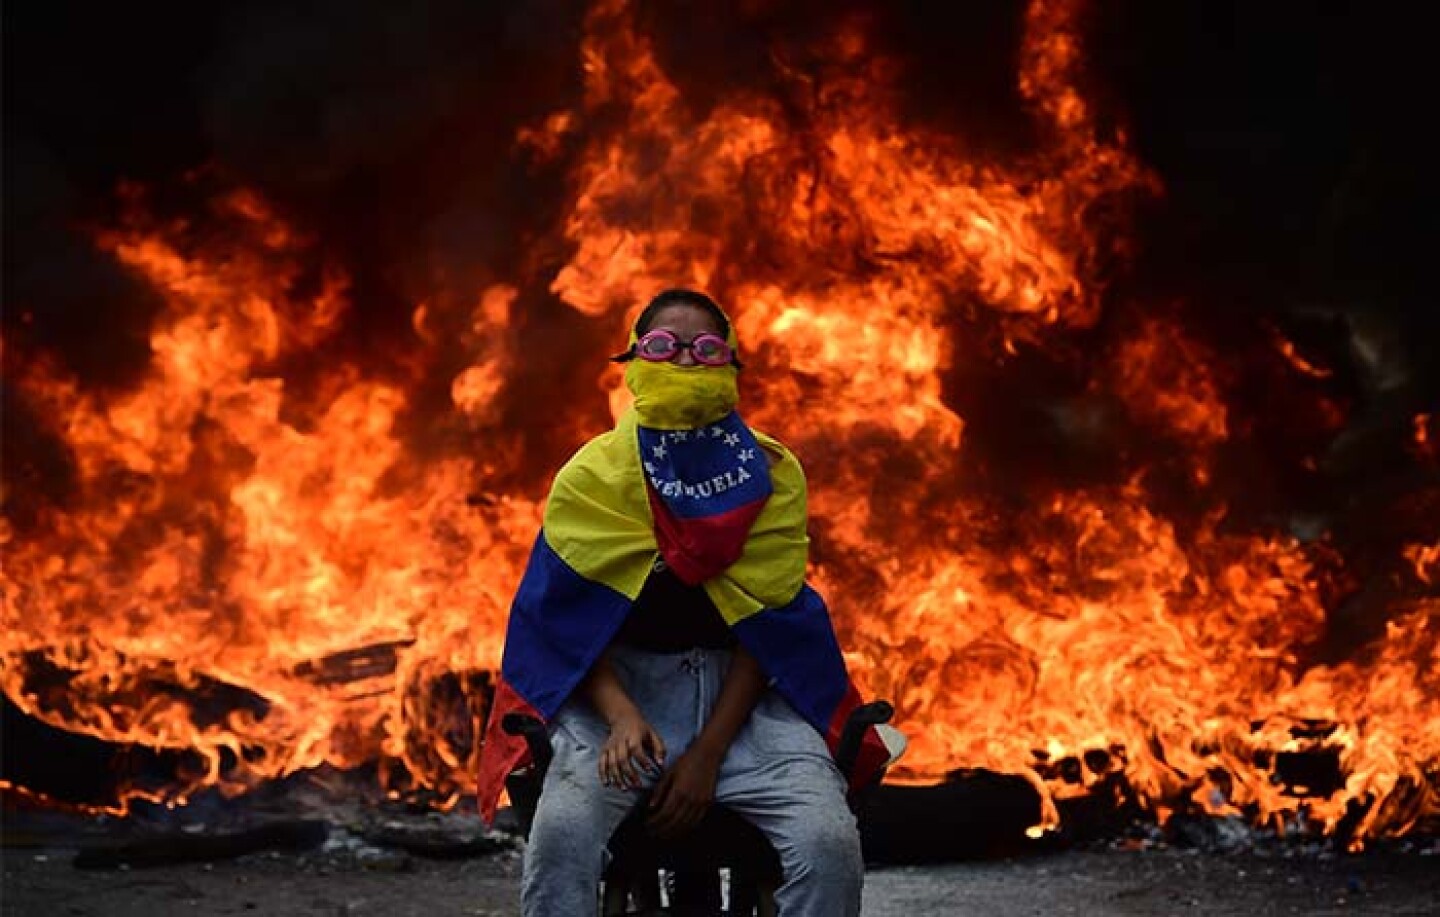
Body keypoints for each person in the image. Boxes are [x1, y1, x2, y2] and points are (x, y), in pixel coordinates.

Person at [475, 289, 891, 916]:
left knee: (828, 844)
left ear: (730, 365)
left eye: (706, 348)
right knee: (560, 836)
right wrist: (619, 716)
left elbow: (769, 627)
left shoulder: (773, 472)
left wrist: (708, 754)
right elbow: (563, 627)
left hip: (745, 705)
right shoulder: (591, 478)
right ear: (634, 363)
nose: (686, 362)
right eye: (665, 347)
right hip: (617, 696)